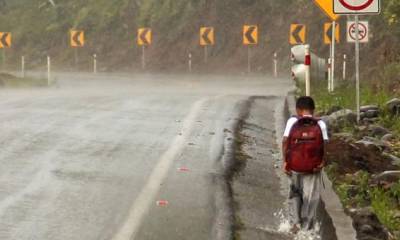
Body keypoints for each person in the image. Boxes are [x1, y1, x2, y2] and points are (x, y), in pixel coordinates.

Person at [282, 96, 329, 233]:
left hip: (295, 166)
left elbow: (285, 141)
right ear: (313, 110)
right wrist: (323, 161)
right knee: (311, 196)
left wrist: (285, 161)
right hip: (313, 168)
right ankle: (307, 228)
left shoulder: (292, 121)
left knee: (295, 192)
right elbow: (325, 144)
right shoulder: (320, 124)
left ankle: (295, 223)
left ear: (298, 110)